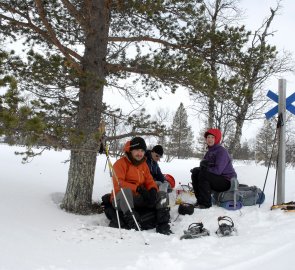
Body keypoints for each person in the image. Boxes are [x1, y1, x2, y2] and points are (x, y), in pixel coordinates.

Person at [109, 137, 172, 235]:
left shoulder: (143, 165)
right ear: (131, 150)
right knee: (126, 191)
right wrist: (137, 188)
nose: (140, 153)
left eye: (142, 150)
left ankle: (163, 225)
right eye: (137, 150)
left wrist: (152, 190)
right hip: (121, 199)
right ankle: (133, 223)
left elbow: (150, 181)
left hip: (139, 197)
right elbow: (118, 183)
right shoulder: (120, 164)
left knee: (161, 193)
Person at [191, 128, 237, 209]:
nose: (210, 139)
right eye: (208, 137)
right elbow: (205, 167)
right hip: (216, 179)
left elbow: (217, 171)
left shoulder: (221, 151)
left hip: (227, 181)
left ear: (217, 138)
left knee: (203, 174)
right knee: (195, 173)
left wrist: (203, 170)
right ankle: (200, 200)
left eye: (212, 137)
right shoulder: (209, 152)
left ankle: (205, 203)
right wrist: (198, 169)